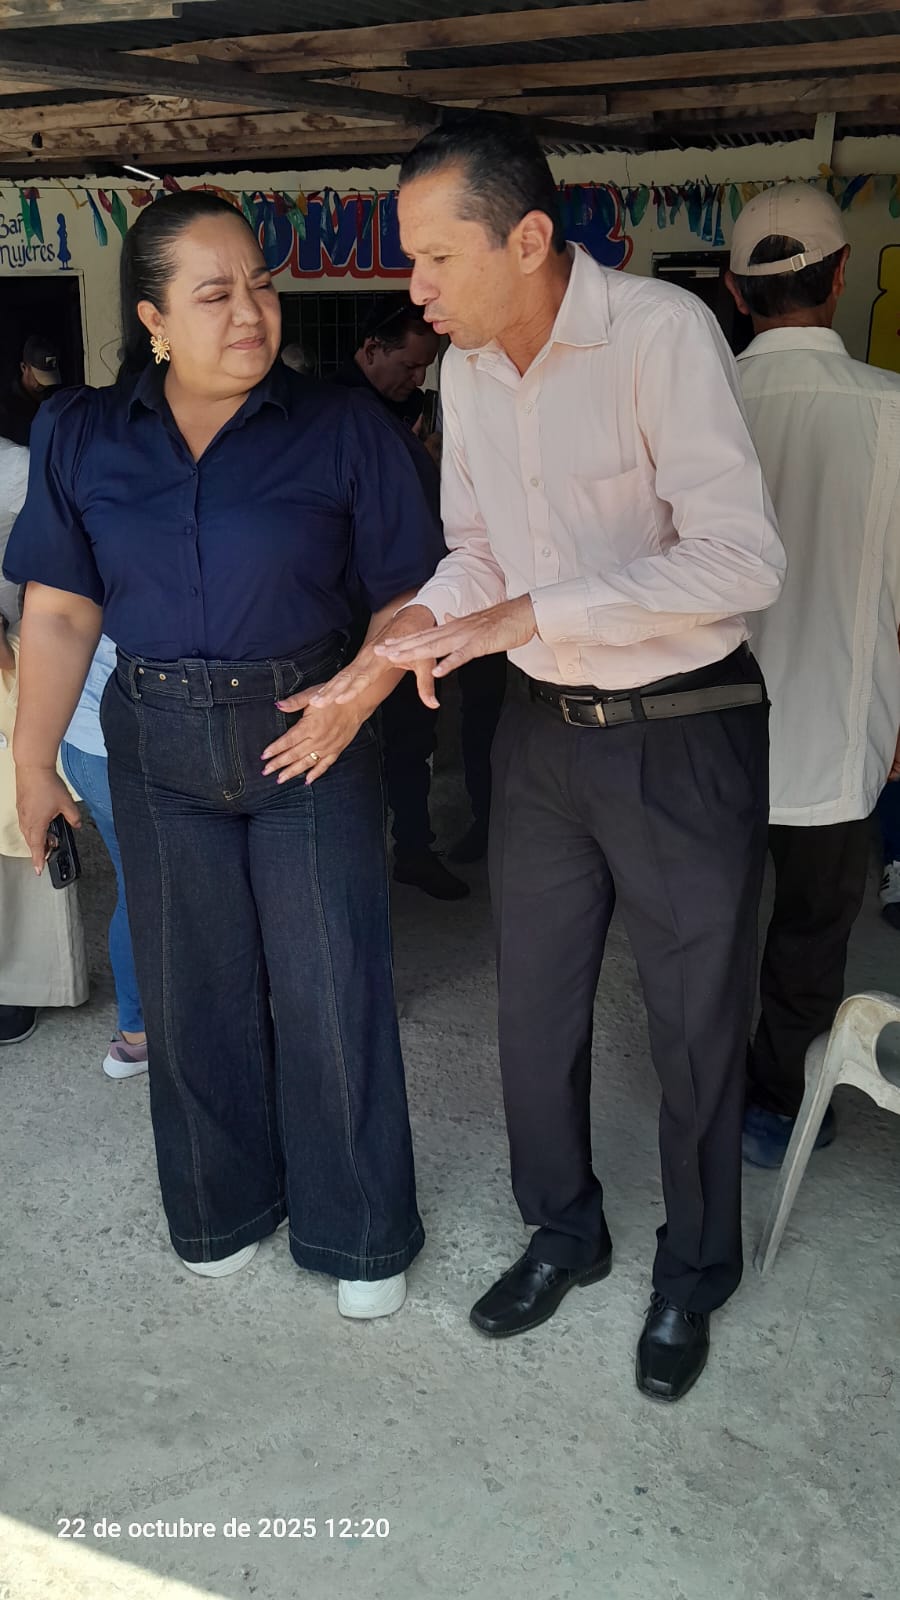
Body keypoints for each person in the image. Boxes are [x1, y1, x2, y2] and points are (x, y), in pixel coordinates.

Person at [314, 115, 785, 1400]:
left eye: (434, 258)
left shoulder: (658, 334)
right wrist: (414, 627)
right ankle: (564, 1230)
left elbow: (742, 559)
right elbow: (478, 551)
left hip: (682, 728)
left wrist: (530, 610)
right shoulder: (469, 371)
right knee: (533, 1008)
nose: (414, 289)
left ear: (527, 239)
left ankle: (695, 1271)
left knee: (695, 1026)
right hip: (539, 732)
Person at [4, 190, 443, 1315]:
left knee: (331, 983)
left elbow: (408, 593)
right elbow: (60, 610)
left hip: (310, 733)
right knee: (191, 990)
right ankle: (220, 1205)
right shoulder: (83, 434)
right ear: (153, 318)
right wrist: (32, 762)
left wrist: (355, 698)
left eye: (261, 285)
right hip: (153, 741)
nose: (251, 312)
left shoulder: (343, 427)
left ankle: (359, 1232)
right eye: (215, 294)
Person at [723, 184, 900, 1167]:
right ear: (840, 278)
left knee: (701, 927)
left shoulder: (701, 407)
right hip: (842, 729)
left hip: (698, 734)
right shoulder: (893, 411)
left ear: (733, 291)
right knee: (809, 932)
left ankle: (701, 1096)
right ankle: (778, 1103)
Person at [335, 301, 471, 900]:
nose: (418, 379)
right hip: (349, 613)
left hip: (416, 601)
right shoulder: (333, 411)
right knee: (352, 743)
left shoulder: (406, 413)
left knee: (414, 735)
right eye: (409, 365)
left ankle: (414, 849)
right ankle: (360, 868)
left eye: (424, 369)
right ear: (371, 349)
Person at [1, 433, 88, 1044]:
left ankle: (20, 984)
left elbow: (59, 564)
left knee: (17, 827)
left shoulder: (18, 468)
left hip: (11, 661)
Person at [60, 636, 149, 1079]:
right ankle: (138, 1033)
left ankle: (137, 1034)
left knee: (138, 888)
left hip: (82, 739)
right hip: (121, 747)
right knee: (149, 891)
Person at [0, 335, 62, 446]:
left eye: (49, 376)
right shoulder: (7, 408)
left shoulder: (56, 396)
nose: (44, 383)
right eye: (39, 376)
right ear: (24, 367)